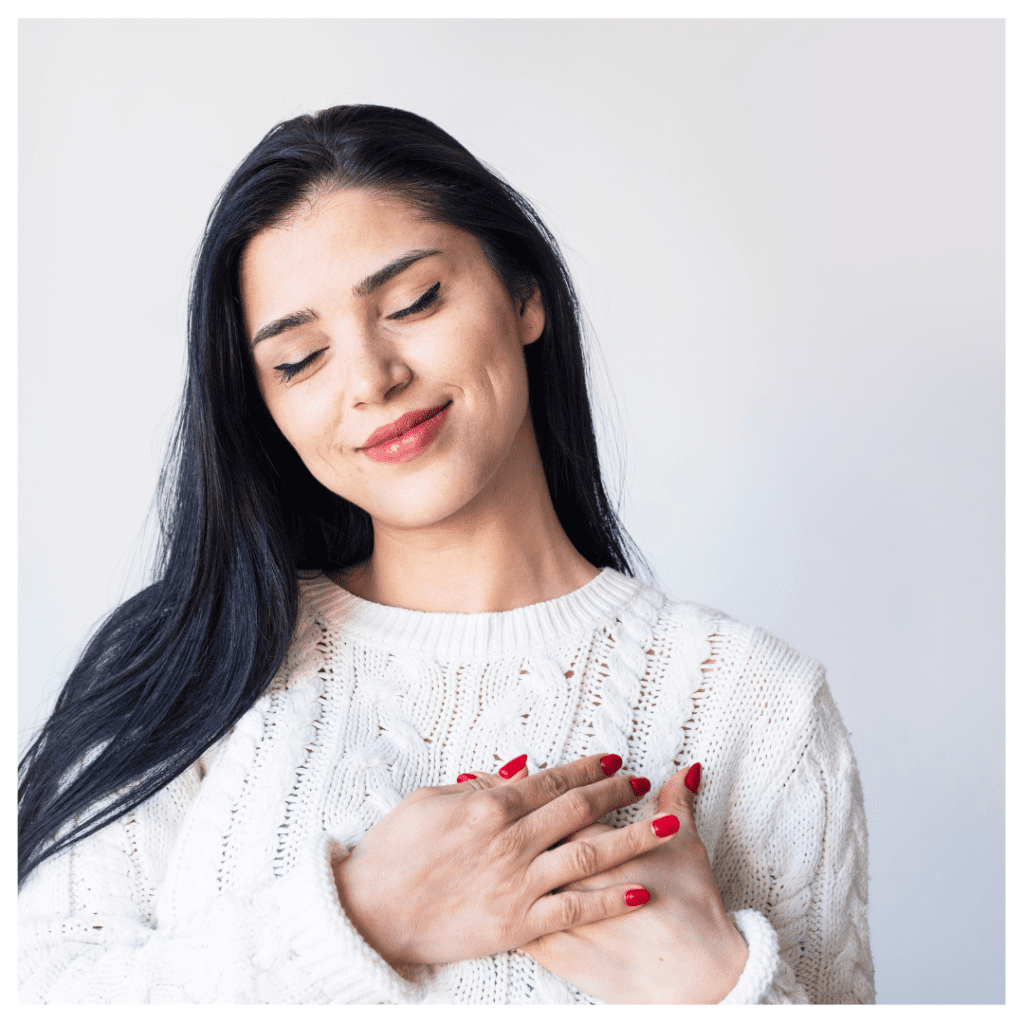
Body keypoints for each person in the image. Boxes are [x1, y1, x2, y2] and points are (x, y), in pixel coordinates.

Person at [18, 104, 874, 1004]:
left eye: (413, 302)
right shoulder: (188, 665)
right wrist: (361, 918)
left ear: (524, 295)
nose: (371, 378)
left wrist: (719, 986)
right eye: (302, 358)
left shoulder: (758, 706)